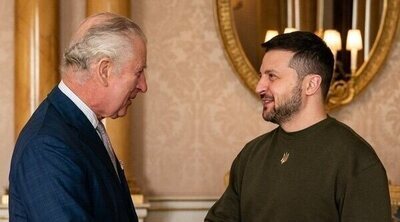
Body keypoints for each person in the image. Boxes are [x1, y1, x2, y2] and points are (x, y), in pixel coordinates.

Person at [205, 31, 391, 222]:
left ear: (311, 84)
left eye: (272, 76)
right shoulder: (251, 153)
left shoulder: (357, 160)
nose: (259, 86)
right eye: (261, 76)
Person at [9, 12, 147, 222]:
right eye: (138, 72)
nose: (143, 86)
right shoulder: (48, 146)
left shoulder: (82, 128)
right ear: (104, 70)